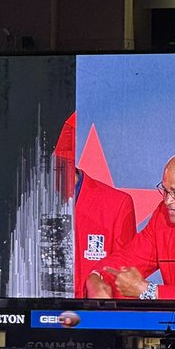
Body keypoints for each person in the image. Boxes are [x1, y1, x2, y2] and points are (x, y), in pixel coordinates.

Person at [85, 148, 175, 299]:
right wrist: (96, 278)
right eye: (165, 191)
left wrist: (148, 291)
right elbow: (128, 259)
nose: (168, 201)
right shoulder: (163, 216)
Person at [53, 111, 138, 296]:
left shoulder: (116, 205)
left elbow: (123, 282)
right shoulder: (25, 208)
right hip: (35, 316)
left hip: (92, 320)